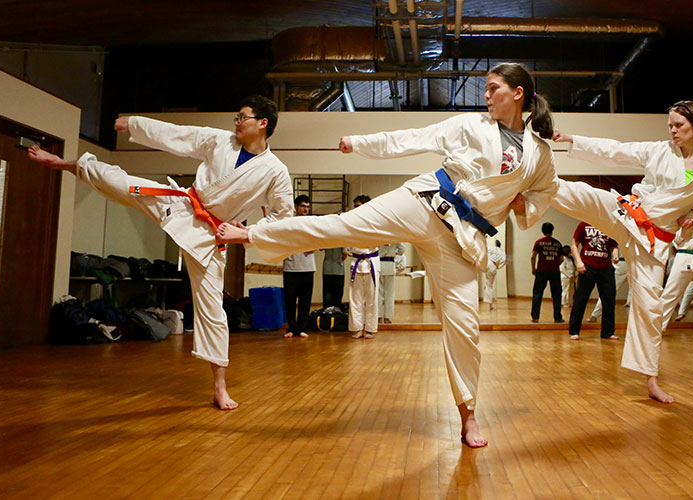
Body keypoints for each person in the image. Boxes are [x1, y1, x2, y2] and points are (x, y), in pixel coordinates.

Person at [215, 62, 558, 447]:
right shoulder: (471, 125)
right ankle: (252, 233)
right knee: (341, 226)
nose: (485, 95)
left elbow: (544, 195)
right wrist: (361, 144)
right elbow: (414, 137)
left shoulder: (540, 154)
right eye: (485, 88)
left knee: (465, 327)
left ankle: (468, 416)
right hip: (425, 202)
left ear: (517, 94)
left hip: (462, 238)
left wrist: (519, 204)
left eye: (493, 88)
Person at [28, 96, 295, 410]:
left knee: (213, 311)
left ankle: (220, 387)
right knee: (124, 183)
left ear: (262, 123)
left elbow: (283, 218)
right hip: (180, 204)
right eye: (236, 116)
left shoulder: (275, 171)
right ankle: (66, 164)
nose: (236, 122)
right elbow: (179, 135)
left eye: (243, 117)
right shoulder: (220, 141)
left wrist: (245, 233)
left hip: (211, 235)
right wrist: (137, 124)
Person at [549, 100, 693, 404]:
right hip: (629, 214)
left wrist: (692, 220)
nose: (672, 131)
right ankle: (533, 183)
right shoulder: (659, 150)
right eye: (670, 125)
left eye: (679, 126)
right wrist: (573, 140)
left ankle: (651, 379)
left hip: (654, 243)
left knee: (649, 308)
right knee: (586, 196)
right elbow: (615, 150)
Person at [568, 222, 620, 340]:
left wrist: (615, 255)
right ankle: (574, 331)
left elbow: (614, 245)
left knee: (609, 300)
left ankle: (608, 332)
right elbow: (574, 245)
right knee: (580, 299)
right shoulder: (583, 225)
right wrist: (579, 262)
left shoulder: (609, 224)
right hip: (587, 268)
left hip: (606, 268)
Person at [346, 195, 381, 338]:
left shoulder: (376, 223)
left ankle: (370, 328)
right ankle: (357, 328)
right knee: (355, 298)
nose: (356, 209)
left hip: (371, 262)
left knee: (372, 298)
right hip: (356, 262)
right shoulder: (350, 223)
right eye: (355, 206)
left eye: (359, 206)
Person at [282, 195, 314, 339]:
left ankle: (302, 328)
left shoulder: (312, 223)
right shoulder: (288, 222)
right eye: (302, 206)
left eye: (307, 206)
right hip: (290, 267)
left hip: (308, 267)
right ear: (296, 207)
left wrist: (309, 245)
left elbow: (316, 242)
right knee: (289, 300)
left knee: (305, 300)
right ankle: (291, 328)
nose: (305, 209)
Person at [530, 222, 564, 323]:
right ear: (552, 230)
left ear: (542, 231)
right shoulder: (557, 243)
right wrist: (554, 265)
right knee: (557, 295)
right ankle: (557, 317)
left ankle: (535, 317)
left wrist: (533, 268)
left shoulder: (539, 242)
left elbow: (533, 257)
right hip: (554, 271)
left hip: (541, 271)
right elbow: (561, 259)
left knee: (537, 293)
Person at [588, 250, 630, 321]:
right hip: (628, 263)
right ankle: (594, 315)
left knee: (608, 291)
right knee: (608, 291)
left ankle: (594, 315)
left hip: (624, 263)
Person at [378, 241, 406, 323]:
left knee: (378, 294)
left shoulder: (379, 235)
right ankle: (387, 317)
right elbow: (403, 249)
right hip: (390, 265)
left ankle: (378, 316)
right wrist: (394, 252)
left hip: (379, 265)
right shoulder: (394, 237)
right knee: (389, 294)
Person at [484, 239, 507, 310]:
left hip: (487, 264)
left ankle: (491, 302)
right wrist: (497, 267)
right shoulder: (503, 253)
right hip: (493, 266)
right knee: (489, 285)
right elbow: (503, 262)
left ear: (495, 244)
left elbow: (484, 249)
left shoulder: (492, 248)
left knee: (488, 285)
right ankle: (490, 304)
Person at [560, 245, 577, 311]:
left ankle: (570, 302)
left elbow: (574, 267)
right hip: (565, 277)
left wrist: (575, 274)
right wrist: (569, 275)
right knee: (565, 290)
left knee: (571, 291)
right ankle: (564, 302)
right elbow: (562, 269)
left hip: (572, 277)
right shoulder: (563, 258)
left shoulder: (571, 259)